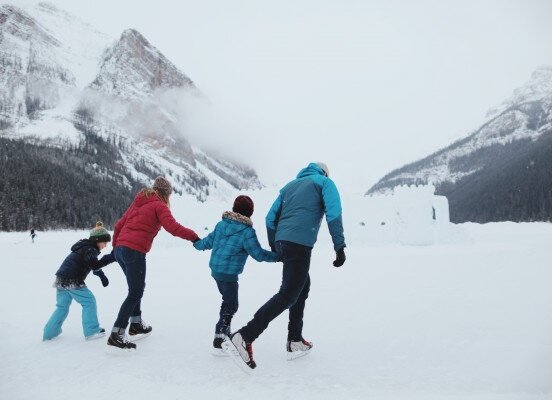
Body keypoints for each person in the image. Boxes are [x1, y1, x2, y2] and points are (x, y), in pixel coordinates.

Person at [227, 162, 346, 369]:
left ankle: (295, 339)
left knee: (302, 286)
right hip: (299, 244)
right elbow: (333, 212)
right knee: (288, 294)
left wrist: (276, 246)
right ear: (325, 172)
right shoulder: (324, 182)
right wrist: (339, 246)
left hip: (284, 242)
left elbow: (270, 219)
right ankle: (245, 335)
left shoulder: (289, 186)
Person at [108, 176, 200, 350]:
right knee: (135, 292)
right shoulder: (159, 205)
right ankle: (117, 334)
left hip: (121, 249)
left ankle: (135, 323)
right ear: (166, 193)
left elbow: (119, 224)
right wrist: (194, 237)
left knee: (136, 288)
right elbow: (173, 227)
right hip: (133, 251)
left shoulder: (139, 202)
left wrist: (116, 248)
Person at [193, 195, 279, 353]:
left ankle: (224, 333)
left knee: (227, 301)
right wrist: (278, 256)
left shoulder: (221, 224)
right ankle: (220, 335)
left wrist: (197, 244)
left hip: (216, 271)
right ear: (250, 213)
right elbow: (258, 254)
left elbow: (208, 241)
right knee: (232, 304)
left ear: (234, 208)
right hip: (228, 274)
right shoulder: (247, 232)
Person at [43, 222, 115, 341]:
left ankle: (49, 333)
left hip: (61, 278)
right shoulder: (90, 249)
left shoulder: (84, 247)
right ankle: (92, 331)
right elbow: (94, 264)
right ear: (98, 240)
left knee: (62, 307)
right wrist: (109, 258)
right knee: (89, 301)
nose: (106, 245)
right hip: (72, 279)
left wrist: (102, 276)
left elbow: (93, 265)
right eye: (105, 242)